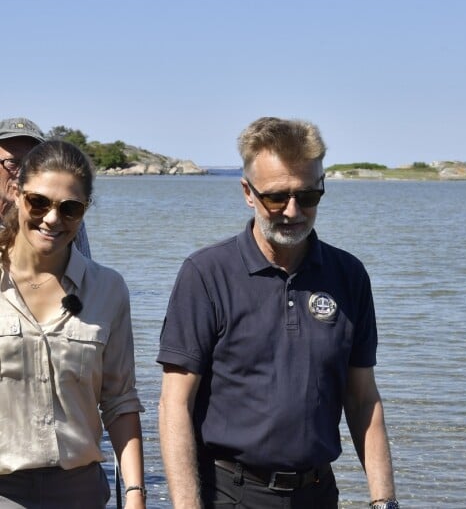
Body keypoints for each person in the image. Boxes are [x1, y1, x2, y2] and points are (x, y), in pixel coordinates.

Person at [157, 116, 398, 509]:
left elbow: (362, 399)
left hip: (319, 494)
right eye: (276, 197)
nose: (292, 211)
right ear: (247, 193)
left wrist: (384, 500)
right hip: (231, 493)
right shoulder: (205, 274)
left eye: (307, 196)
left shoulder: (349, 275)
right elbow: (174, 404)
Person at [0, 140, 146, 508]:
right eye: (39, 202)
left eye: (69, 208)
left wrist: (135, 493)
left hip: (80, 492)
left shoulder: (108, 290)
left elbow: (119, 400)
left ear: (84, 211)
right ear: (16, 193)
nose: (52, 219)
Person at [0, 117, 91, 257]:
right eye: (13, 162)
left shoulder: (67, 216)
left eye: (31, 163)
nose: (23, 172)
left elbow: (85, 272)